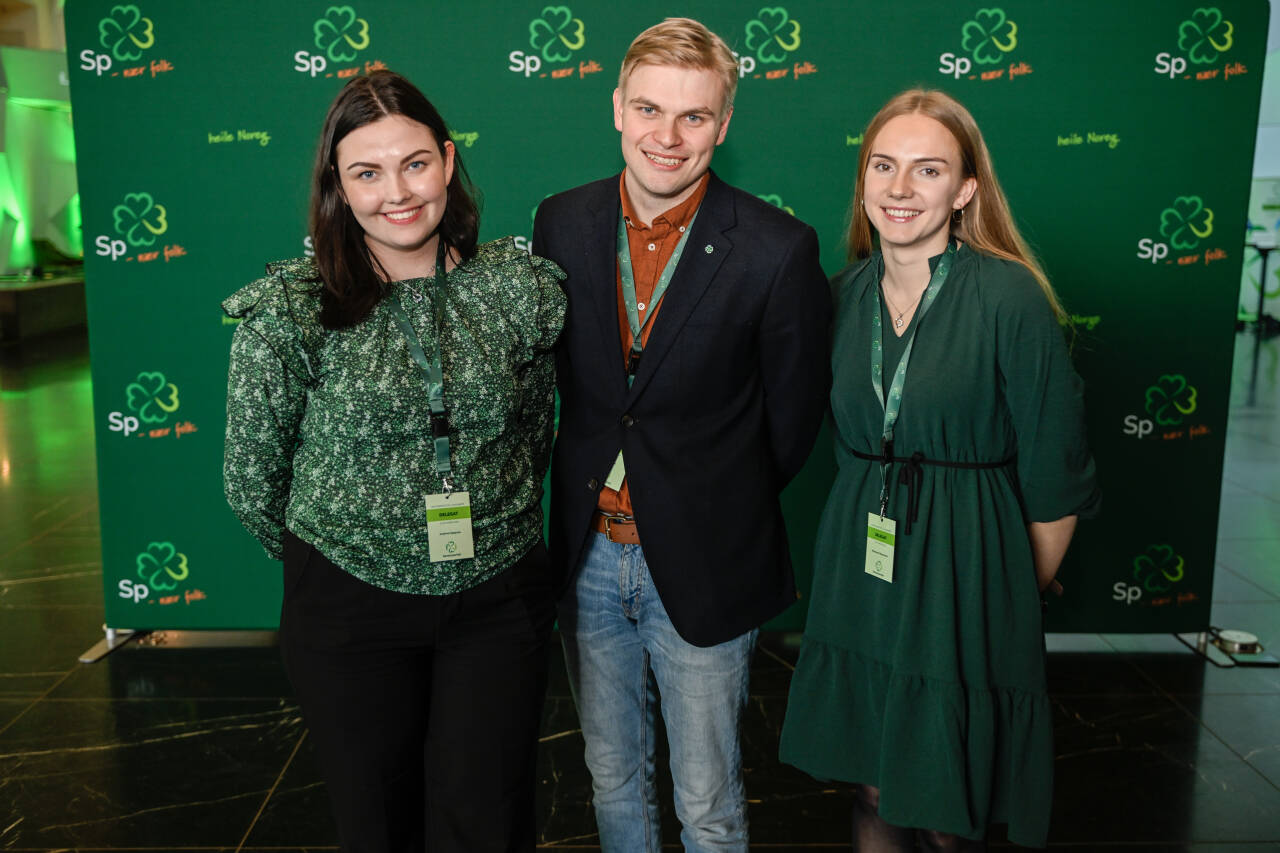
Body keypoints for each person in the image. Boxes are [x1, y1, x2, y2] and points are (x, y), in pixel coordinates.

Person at [222, 70, 566, 853]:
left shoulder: (517, 291)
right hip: (347, 606)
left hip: (495, 597)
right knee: (376, 822)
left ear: (447, 160)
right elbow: (252, 479)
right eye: (366, 173)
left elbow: (534, 433)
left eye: (414, 163)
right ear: (338, 187)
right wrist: (344, 555)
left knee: (489, 817)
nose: (396, 192)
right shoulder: (290, 312)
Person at [532, 17, 831, 853]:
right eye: (650, 109)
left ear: (724, 125)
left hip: (708, 558)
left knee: (708, 800)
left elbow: (793, 420)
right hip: (589, 556)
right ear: (616, 108)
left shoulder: (776, 247)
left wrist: (711, 498)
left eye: (694, 116)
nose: (668, 136)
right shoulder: (560, 221)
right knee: (611, 774)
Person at [779, 89, 1100, 850]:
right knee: (874, 784)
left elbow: (1057, 464)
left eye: (927, 170)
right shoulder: (841, 296)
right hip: (864, 556)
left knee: (950, 799)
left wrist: (1013, 589)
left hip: (970, 562)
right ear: (862, 180)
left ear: (964, 191)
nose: (899, 188)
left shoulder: (1008, 295)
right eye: (883, 165)